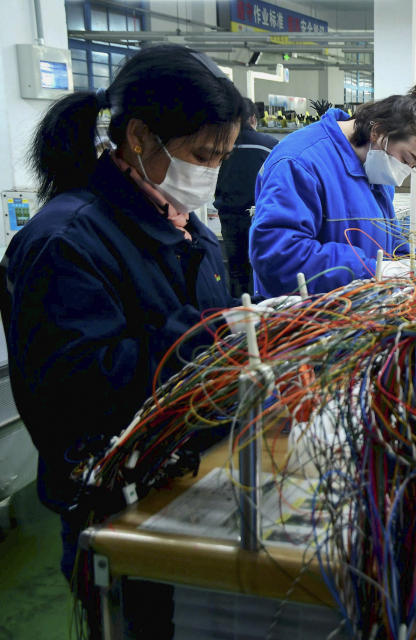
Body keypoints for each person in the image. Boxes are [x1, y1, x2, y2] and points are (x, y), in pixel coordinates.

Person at [0, 44, 243, 636]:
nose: (211, 171)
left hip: (193, 480)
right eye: (203, 155)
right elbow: (80, 395)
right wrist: (214, 335)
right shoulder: (66, 242)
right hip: (117, 509)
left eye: (223, 157)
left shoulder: (191, 233)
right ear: (140, 137)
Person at [250, 82, 416, 296]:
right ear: (378, 132)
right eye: (407, 159)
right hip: (308, 319)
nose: (404, 172)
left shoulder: (375, 167)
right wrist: (371, 270)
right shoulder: (299, 162)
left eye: (414, 167)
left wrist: (410, 265)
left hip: (362, 309)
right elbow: (279, 255)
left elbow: (387, 235)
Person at [214, 97, 278, 297]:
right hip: (261, 217)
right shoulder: (270, 146)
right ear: (252, 118)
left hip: (229, 216)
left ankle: (238, 311)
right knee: (264, 267)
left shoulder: (219, 146)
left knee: (236, 270)